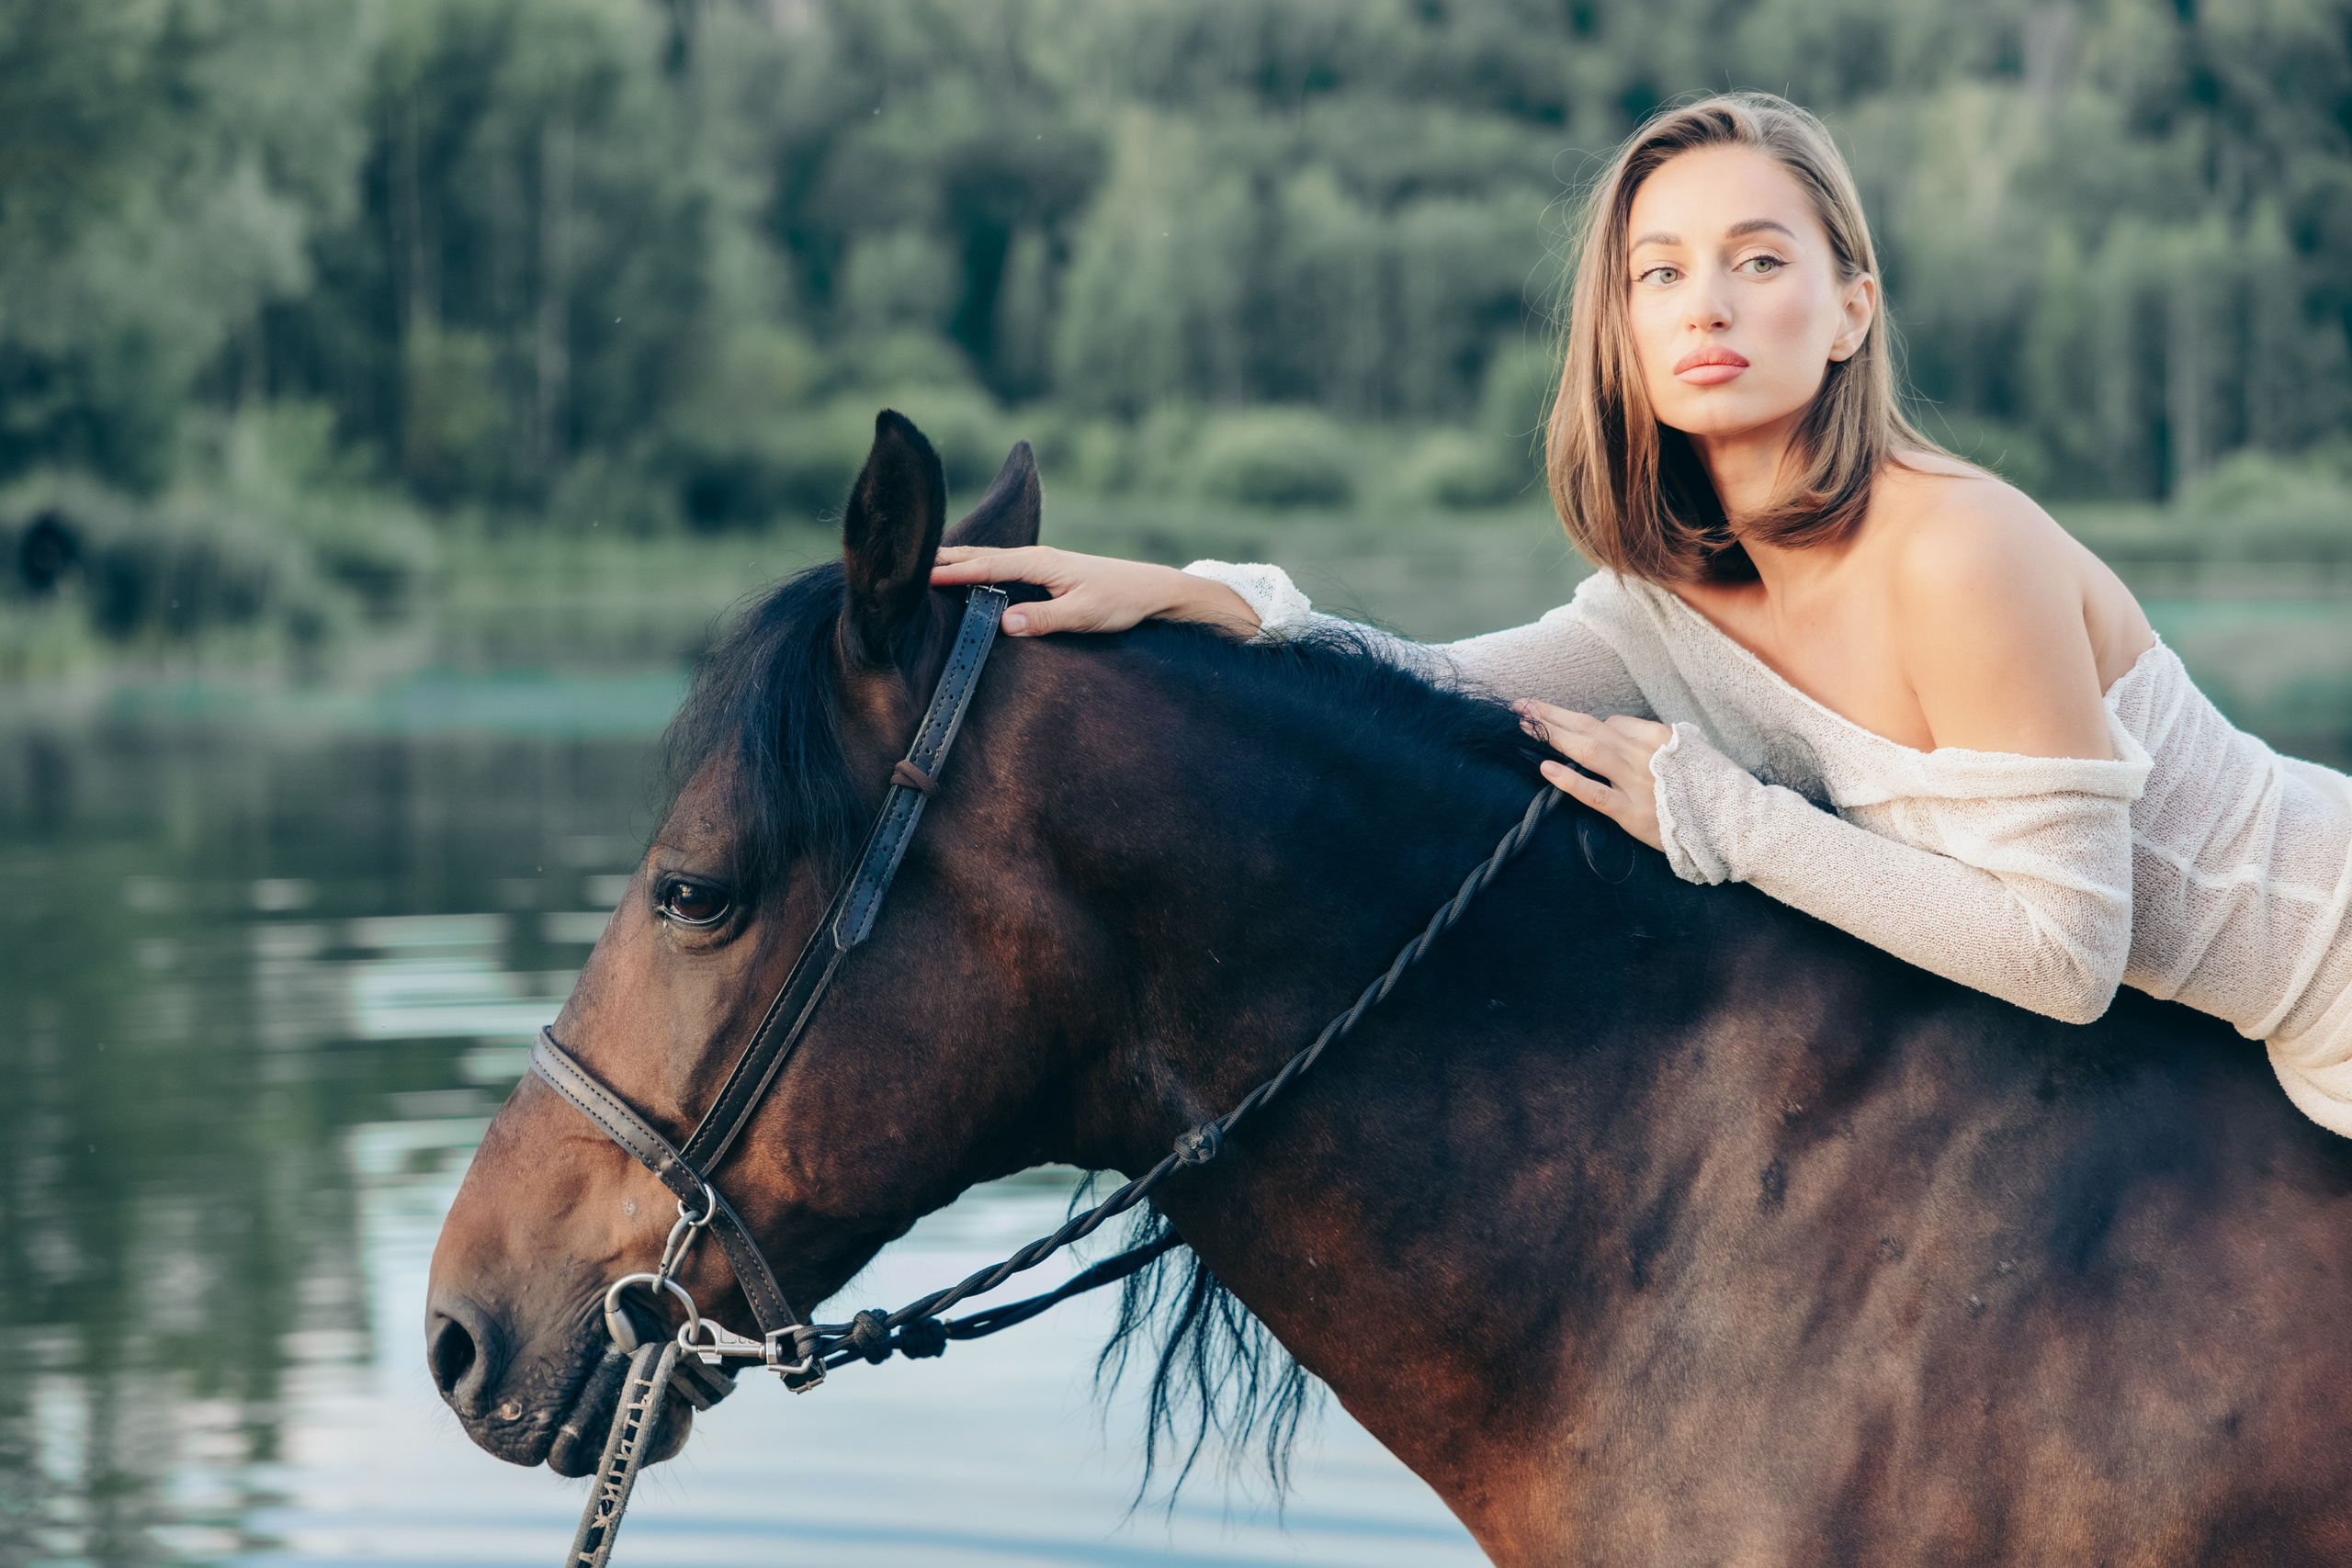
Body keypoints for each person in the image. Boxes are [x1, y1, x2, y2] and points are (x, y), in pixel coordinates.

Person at [931, 92, 2352, 1138]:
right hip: (2257, 1059)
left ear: (1850, 312)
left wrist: (1725, 819)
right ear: (1623, 329)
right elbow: (1429, 691)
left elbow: (2065, 956)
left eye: (1760, 261)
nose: (1704, 305)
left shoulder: (1958, 547)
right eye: (1658, 272)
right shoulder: (1670, 609)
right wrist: (1201, 601)